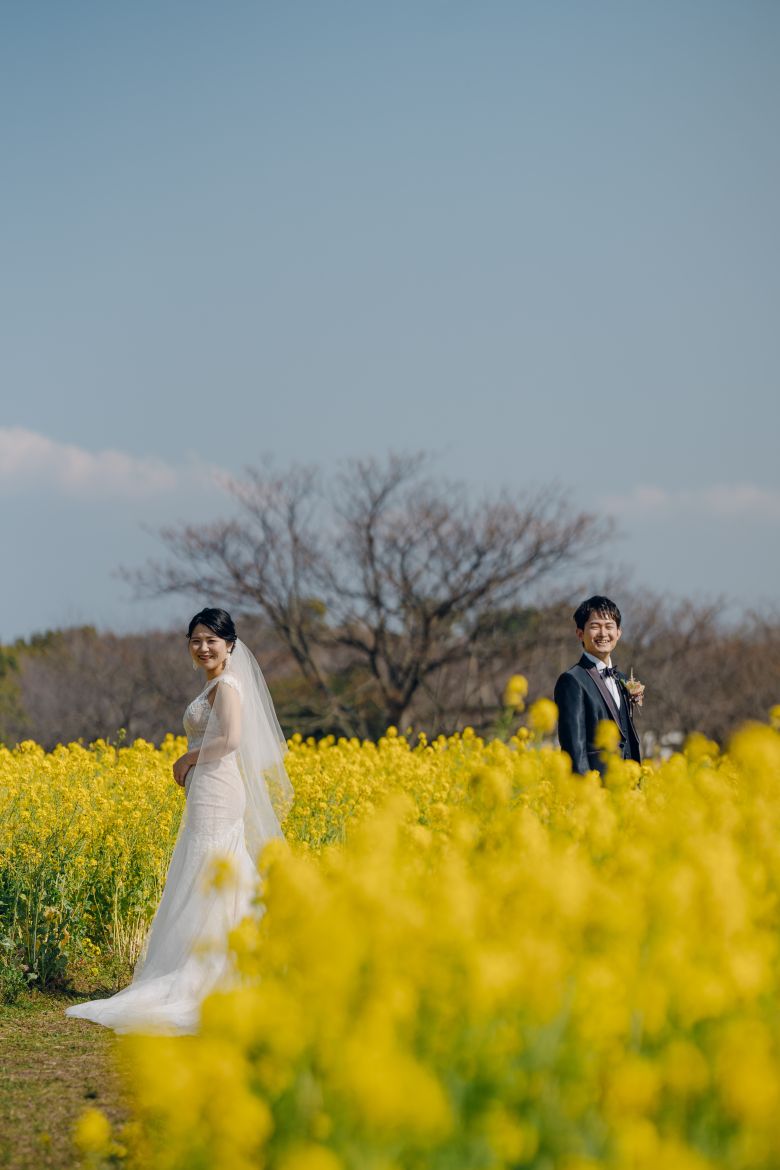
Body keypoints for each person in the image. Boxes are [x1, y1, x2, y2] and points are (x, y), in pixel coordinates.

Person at [66, 608, 293, 1034]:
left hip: (217, 785)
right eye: (196, 640)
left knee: (209, 867)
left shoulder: (226, 684)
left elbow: (230, 740)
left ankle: (208, 971)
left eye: (212, 640)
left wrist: (187, 758)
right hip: (208, 785)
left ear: (230, 646)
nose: (203, 647)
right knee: (209, 867)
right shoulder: (215, 684)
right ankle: (219, 963)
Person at [553, 595, 642, 777]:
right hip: (596, 789)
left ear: (618, 633)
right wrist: (587, 790)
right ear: (580, 634)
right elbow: (573, 746)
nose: (603, 634)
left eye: (609, 627)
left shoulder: (622, 679)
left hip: (626, 788)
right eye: (595, 626)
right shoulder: (572, 680)